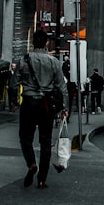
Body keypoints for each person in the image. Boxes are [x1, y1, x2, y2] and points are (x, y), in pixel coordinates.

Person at [13, 30, 69, 189]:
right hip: (46, 104)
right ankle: (42, 179)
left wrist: (15, 100)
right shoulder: (53, 62)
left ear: (33, 43)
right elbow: (62, 87)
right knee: (45, 140)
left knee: (25, 137)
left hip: (29, 101)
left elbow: (13, 84)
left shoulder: (23, 60)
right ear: (46, 43)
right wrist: (64, 107)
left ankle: (31, 163)